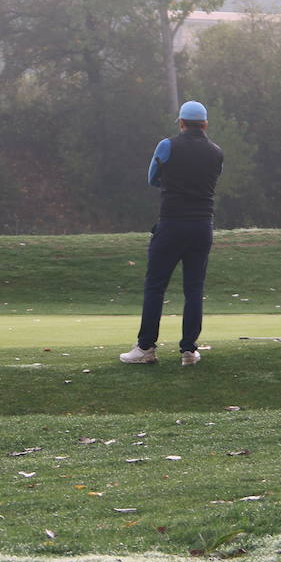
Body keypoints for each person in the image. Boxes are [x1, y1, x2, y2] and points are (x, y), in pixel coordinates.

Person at [119, 100, 224, 366]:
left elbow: (152, 178)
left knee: (155, 286)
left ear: (180, 123)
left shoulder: (167, 146)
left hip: (172, 223)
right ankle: (189, 351)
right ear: (205, 124)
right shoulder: (216, 152)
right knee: (194, 289)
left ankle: (145, 348)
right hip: (202, 226)